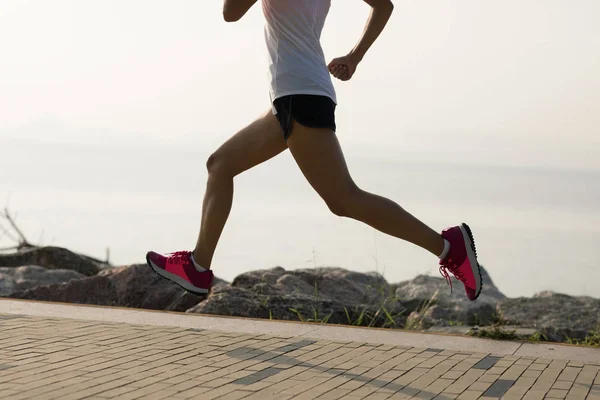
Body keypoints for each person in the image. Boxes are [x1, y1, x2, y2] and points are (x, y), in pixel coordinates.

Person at [146, 0, 483, 301]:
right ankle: (198, 268)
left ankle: (449, 247)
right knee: (220, 164)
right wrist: (354, 57)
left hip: (299, 95)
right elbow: (384, 6)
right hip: (293, 95)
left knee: (344, 199)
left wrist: (354, 56)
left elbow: (230, 12)